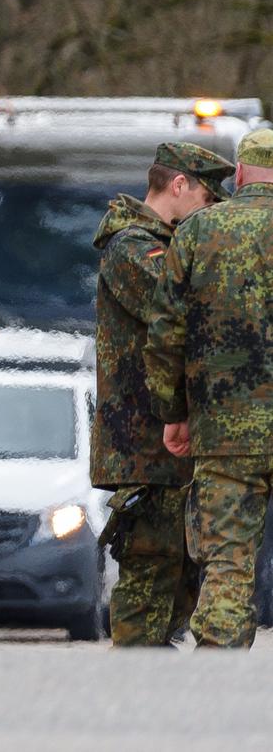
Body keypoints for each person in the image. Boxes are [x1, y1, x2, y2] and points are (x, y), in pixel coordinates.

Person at [93, 139, 226, 646]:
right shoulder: (132, 248)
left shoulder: (161, 246)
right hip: (146, 447)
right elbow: (188, 309)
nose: (209, 214)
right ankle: (132, 695)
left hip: (168, 445)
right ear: (179, 185)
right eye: (207, 201)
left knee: (179, 585)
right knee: (149, 581)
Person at [150, 123, 273, 647]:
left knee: (227, 561)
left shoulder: (198, 232)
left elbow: (166, 333)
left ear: (240, 174)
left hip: (226, 432)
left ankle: (219, 677)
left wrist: (173, 411)